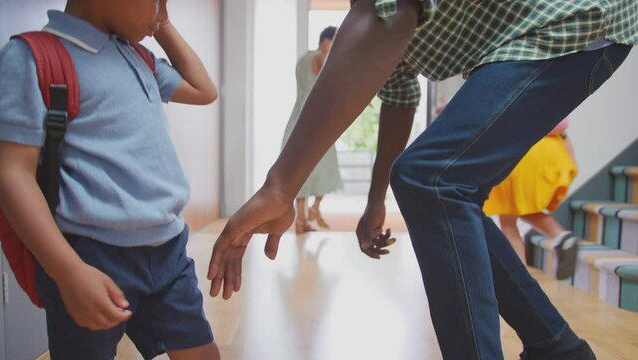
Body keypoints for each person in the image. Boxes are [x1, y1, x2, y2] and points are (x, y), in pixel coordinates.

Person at [208, 1, 636, 359]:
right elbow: (398, 98)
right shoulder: (389, 31)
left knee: (434, 179)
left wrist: (280, 187)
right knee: (440, 183)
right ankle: (557, 348)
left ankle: (555, 348)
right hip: (527, 38)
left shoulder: (380, 18)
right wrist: (375, 201)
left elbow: (376, 17)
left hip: (571, 18)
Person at [0, 1, 221, 359]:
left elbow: (204, 89)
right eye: (158, 1)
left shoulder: (136, 56)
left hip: (167, 249)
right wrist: (68, 272)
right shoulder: (30, 57)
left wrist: (159, 22)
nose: (162, 13)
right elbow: (12, 174)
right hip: (90, 256)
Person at [483, 118, 579, 274]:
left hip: (523, 153)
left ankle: (520, 275)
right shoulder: (550, 98)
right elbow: (562, 128)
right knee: (523, 207)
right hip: (552, 150)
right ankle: (560, 236)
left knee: (508, 221)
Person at [281, 26, 343, 234]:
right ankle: (314, 208)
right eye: (334, 42)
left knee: (300, 169)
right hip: (316, 119)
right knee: (325, 166)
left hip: (297, 116)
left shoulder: (302, 60)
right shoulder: (322, 57)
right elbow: (330, 84)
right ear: (327, 40)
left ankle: (301, 219)